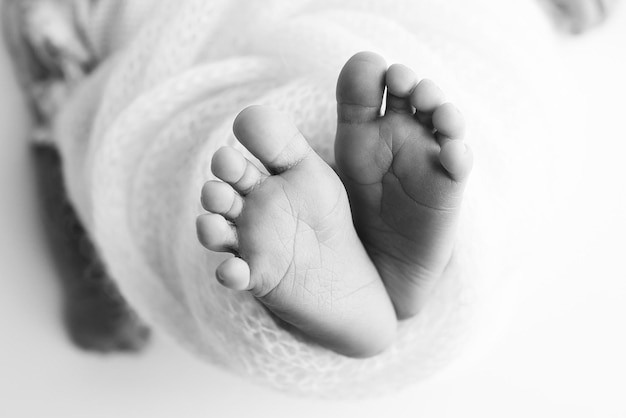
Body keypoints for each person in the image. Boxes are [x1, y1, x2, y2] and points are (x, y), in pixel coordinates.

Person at [2, 0, 616, 396]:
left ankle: (342, 283)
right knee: (473, 89)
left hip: (175, 40)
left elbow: (62, 122)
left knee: (159, 163)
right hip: (419, 27)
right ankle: (387, 263)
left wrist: (94, 292)